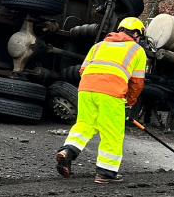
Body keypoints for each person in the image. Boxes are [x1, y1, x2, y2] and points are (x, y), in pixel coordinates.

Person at [55, 17, 147, 184]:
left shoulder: (98, 45)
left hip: (86, 89)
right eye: (139, 36)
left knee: (85, 124)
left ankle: (68, 151)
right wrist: (129, 102)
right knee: (112, 132)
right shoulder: (136, 50)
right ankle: (106, 173)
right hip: (111, 92)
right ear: (135, 33)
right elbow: (137, 82)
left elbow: (83, 70)